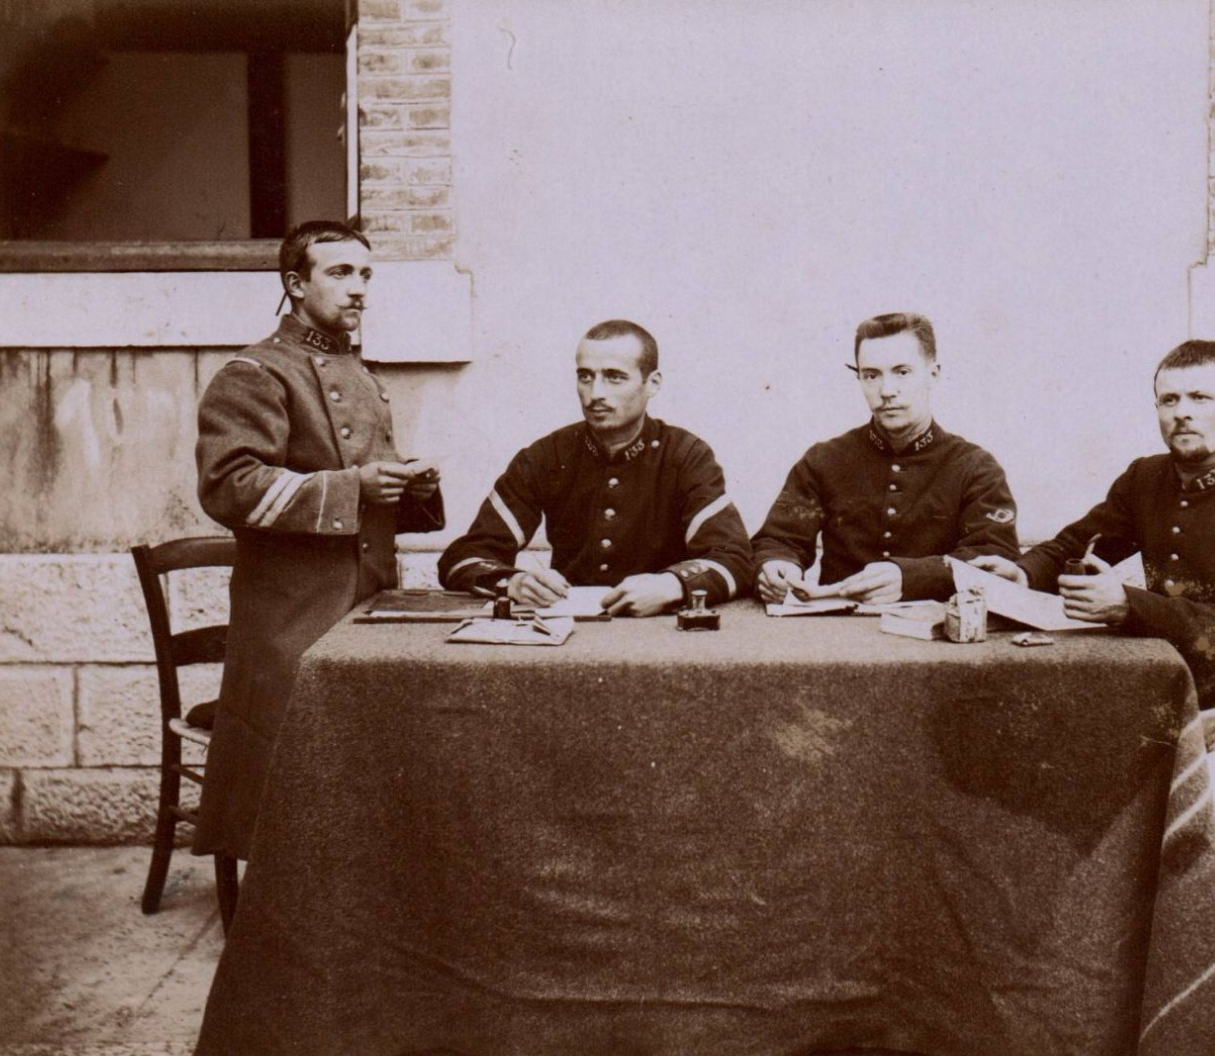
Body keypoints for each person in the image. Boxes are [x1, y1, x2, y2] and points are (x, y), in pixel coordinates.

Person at [979, 339, 1215, 848]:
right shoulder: (1147, 478)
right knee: (1043, 778)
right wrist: (1022, 573)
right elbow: (1073, 545)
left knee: (1197, 815)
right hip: (1167, 701)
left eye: (1200, 398)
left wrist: (1128, 605)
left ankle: (1181, 929)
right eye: (1169, 401)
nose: (1182, 413)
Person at [193, 220, 444, 860]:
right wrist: (354, 487)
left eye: (365, 275)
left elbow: (360, 488)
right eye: (340, 273)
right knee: (287, 795)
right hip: (292, 618)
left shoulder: (362, 375)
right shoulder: (253, 373)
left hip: (367, 603)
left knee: (368, 774)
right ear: (294, 284)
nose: (359, 289)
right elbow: (229, 485)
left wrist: (406, 486)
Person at [437, 320, 753, 615]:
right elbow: (464, 556)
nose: (596, 393)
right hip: (571, 630)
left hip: (660, 630)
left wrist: (671, 585)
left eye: (614, 377)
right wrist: (512, 582)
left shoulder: (685, 456)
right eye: (585, 376)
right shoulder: (546, 456)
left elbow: (733, 557)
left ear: (652, 383)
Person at [753, 311, 1019, 605]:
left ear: (933, 374)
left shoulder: (975, 468)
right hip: (836, 635)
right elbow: (779, 539)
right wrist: (777, 565)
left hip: (935, 637)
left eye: (902, 372)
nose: (886, 391)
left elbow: (995, 557)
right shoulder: (824, 460)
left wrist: (913, 578)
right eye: (871, 375)